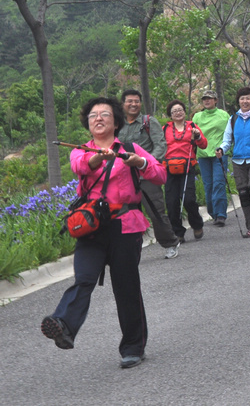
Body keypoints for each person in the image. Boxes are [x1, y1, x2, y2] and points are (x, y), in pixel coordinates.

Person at [41, 96, 166, 368]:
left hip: (125, 225)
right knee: (84, 278)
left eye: (105, 115)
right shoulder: (80, 151)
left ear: (116, 121)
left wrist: (139, 163)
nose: (98, 118)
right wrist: (99, 156)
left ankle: (133, 347)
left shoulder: (131, 148)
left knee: (126, 287)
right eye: (93, 116)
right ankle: (63, 325)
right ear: (88, 124)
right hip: (91, 226)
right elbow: (81, 166)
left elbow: (160, 175)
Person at [118, 89, 182, 258]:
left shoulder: (148, 122)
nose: (133, 104)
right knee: (126, 214)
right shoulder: (117, 124)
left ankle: (170, 243)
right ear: (123, 104)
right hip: (125, 177)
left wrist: (146, 163)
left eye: (137, 101)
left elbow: (160, 145)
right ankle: (130, 249)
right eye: (130, 101)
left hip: (146, 176)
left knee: (156, 212)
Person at [216, 87, 250, 239]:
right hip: (238, 160)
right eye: (242, 98)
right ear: (238, 101)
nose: (245, 101)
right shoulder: (233, 119)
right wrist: (221, 149)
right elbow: (227, 140)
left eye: (247, 98)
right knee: (243, 194)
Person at [163, 100, 208, 242]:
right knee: (172, 202)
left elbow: (204, 145)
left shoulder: (193, 127)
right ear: (170, 115)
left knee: (189, 199)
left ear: (184, 112)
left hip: (188, 166)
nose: (178, 113)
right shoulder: (165, 129)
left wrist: (198, 136)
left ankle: (196, 224)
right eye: (174, 111)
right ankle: (178, 232)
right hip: (169, 168)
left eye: (180, 110)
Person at [192, 90, 230, 227]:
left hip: (219, 154)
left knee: (219, 183)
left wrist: (226, 148)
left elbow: (229, 134)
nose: (207, 101)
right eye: (204, 99)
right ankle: (213, 212)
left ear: (216, 100)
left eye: (210, 98)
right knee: (208, 186)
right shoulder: (197, 116)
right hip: (203, 155)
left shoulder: (224, 115)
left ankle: (220, 215)